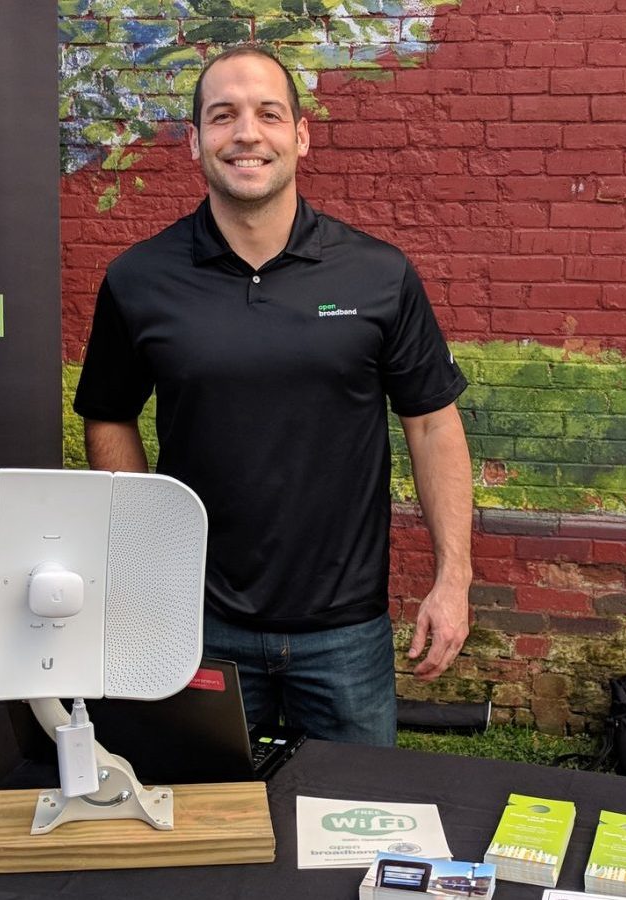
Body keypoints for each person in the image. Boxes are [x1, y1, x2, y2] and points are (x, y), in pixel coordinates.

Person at [72, 44, 473, 746]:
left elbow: (433, 424)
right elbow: (108, 414)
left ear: (302, 135)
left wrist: (454, 580)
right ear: (197, 141)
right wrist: (145, 557)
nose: (247, 134)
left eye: (268, 113)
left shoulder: (377, 275)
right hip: (200, 624)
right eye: (223, 116)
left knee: (349, 832)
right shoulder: (140, 280)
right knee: (203, 828)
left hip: (346, 630)